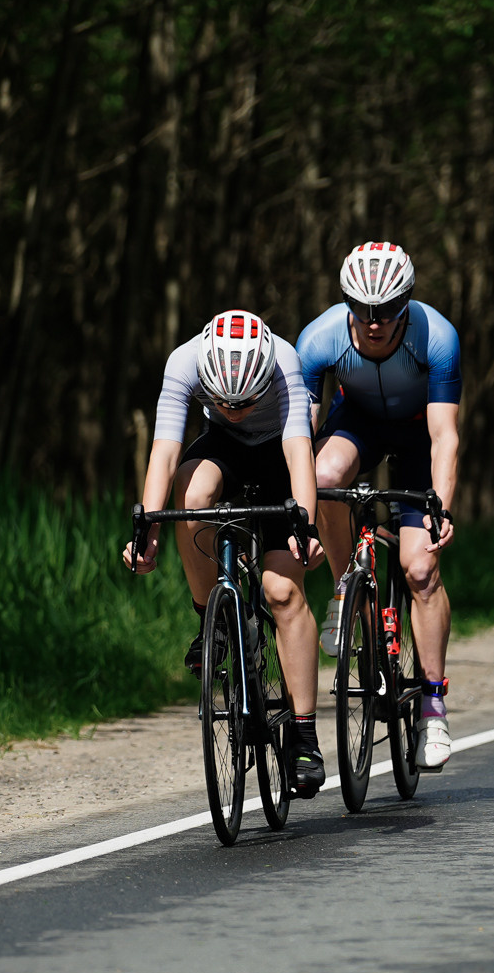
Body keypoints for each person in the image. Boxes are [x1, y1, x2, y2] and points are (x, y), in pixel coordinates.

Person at [123, 310, 327, 796]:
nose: (235, 408)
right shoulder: (184, 361)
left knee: (282, 593)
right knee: (191, 498)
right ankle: (209, 621)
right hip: (224, 451)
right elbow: (165, 452)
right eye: (222, 401)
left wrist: (306, 523)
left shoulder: (283, 360)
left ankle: (304, 734)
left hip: (278, 451)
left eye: (245, 401)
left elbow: (300, 450)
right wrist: (145, 528)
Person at [297, 241, 462, 771]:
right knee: (323, 476)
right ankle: (348, 589)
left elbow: (445, 437)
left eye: (387, 310)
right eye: (362, 308)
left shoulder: (437, 337)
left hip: (418, 435)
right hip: (357, 424)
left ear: (406, 302)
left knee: (419, 571)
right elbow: (302, 435)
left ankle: (433, 705)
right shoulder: (318, 339)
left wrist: (441, 508)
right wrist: (303, 514)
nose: (373, 322)